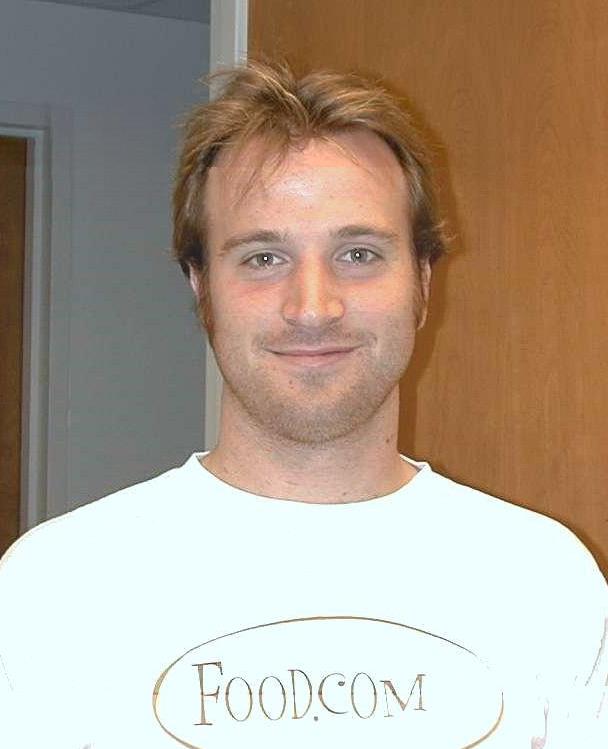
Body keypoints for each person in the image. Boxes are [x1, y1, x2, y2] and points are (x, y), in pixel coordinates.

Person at [0, 59, 606, 749]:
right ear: (200, 285)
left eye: (358, 254)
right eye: (263, 258)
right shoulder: (55, 588)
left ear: (423, 280)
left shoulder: (544, 579)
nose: (313, 307)